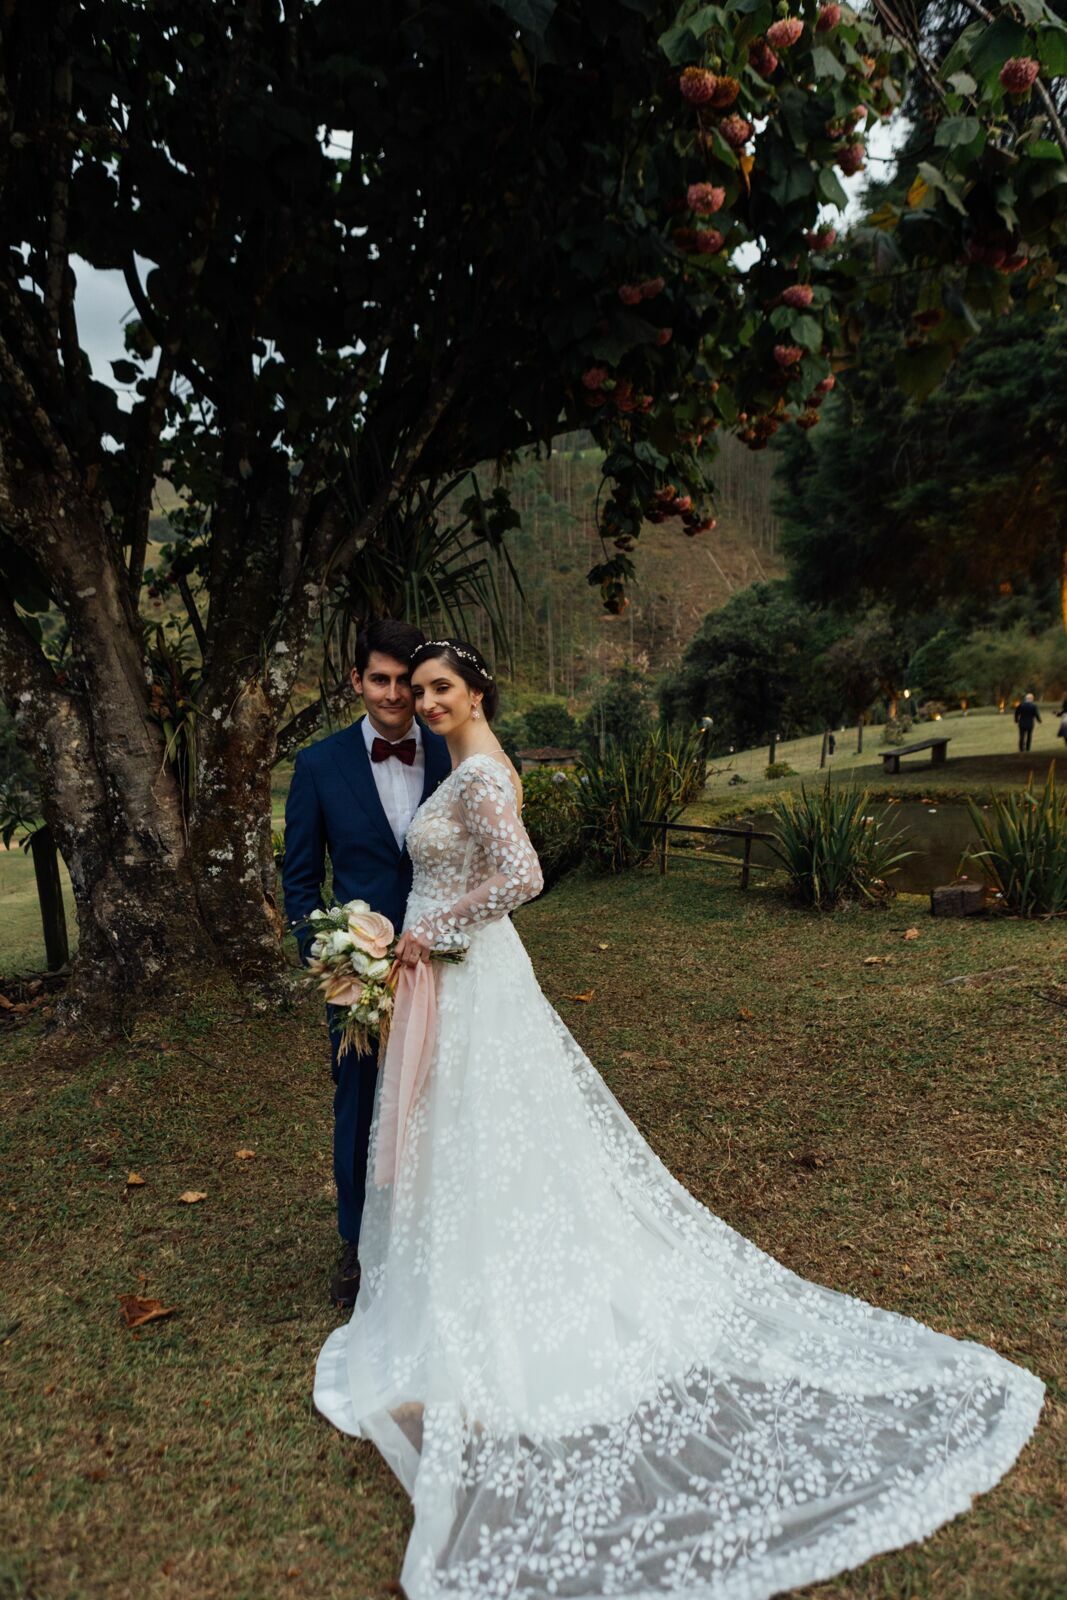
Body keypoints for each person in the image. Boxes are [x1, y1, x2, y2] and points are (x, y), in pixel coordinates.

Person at [313, 638, 1044, 1600]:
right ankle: (473, 1273)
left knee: (489, 1130)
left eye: (443, 688)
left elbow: (524, 877)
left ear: (476, 691)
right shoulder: (463, 764)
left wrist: (427, 933)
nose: (428, 700)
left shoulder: (484, 771)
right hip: (454, 984)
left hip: (468, 974)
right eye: (418, 690)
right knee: (474, 1140)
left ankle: (515, 1303)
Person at [282, 619, 450, 1307]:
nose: (391, 694)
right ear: (357, 681)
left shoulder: (454, 754)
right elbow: (298, 880)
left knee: (444, 1101)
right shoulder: (318, 766)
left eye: (402, 683)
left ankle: (436, 1239)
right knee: (358, 1106)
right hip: (361, 973)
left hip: (450, 964)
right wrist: (328, 952)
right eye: (377, 679)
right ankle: (356, 1247)